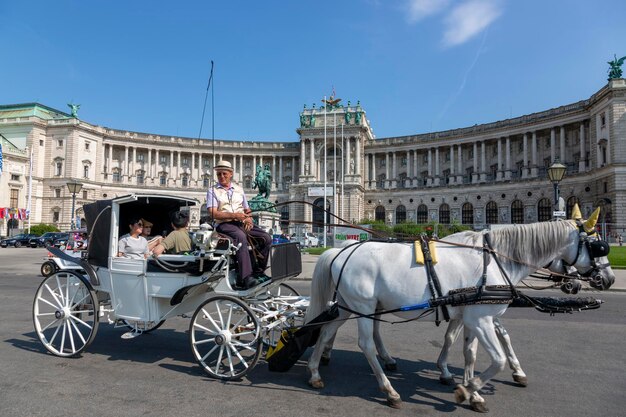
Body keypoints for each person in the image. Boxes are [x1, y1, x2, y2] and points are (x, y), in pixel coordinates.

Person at [207, 160, 272, 289]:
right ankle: (245, 278)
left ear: (231, 174)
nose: (221, 177)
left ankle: (258, 271)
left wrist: (248, 219)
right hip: (224, 225)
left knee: (266, 238)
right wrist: (235, 215)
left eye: (224, 173)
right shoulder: (212, 191)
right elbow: (214, 214)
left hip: (240, 224)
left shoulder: (239, 189)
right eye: (219, 174)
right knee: (240, 238)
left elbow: (247, 210)